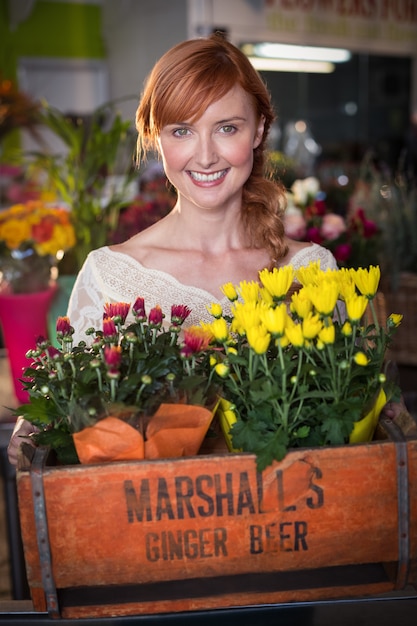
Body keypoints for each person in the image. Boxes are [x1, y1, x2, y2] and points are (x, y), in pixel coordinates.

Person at [10, 33, 400, 465]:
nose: (206, 155)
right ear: (156, 139)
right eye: (182, 131)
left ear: (260, 130)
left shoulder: (312, 269)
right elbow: (77, 438)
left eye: (227, 128)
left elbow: (352, 427)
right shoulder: (111, 276)